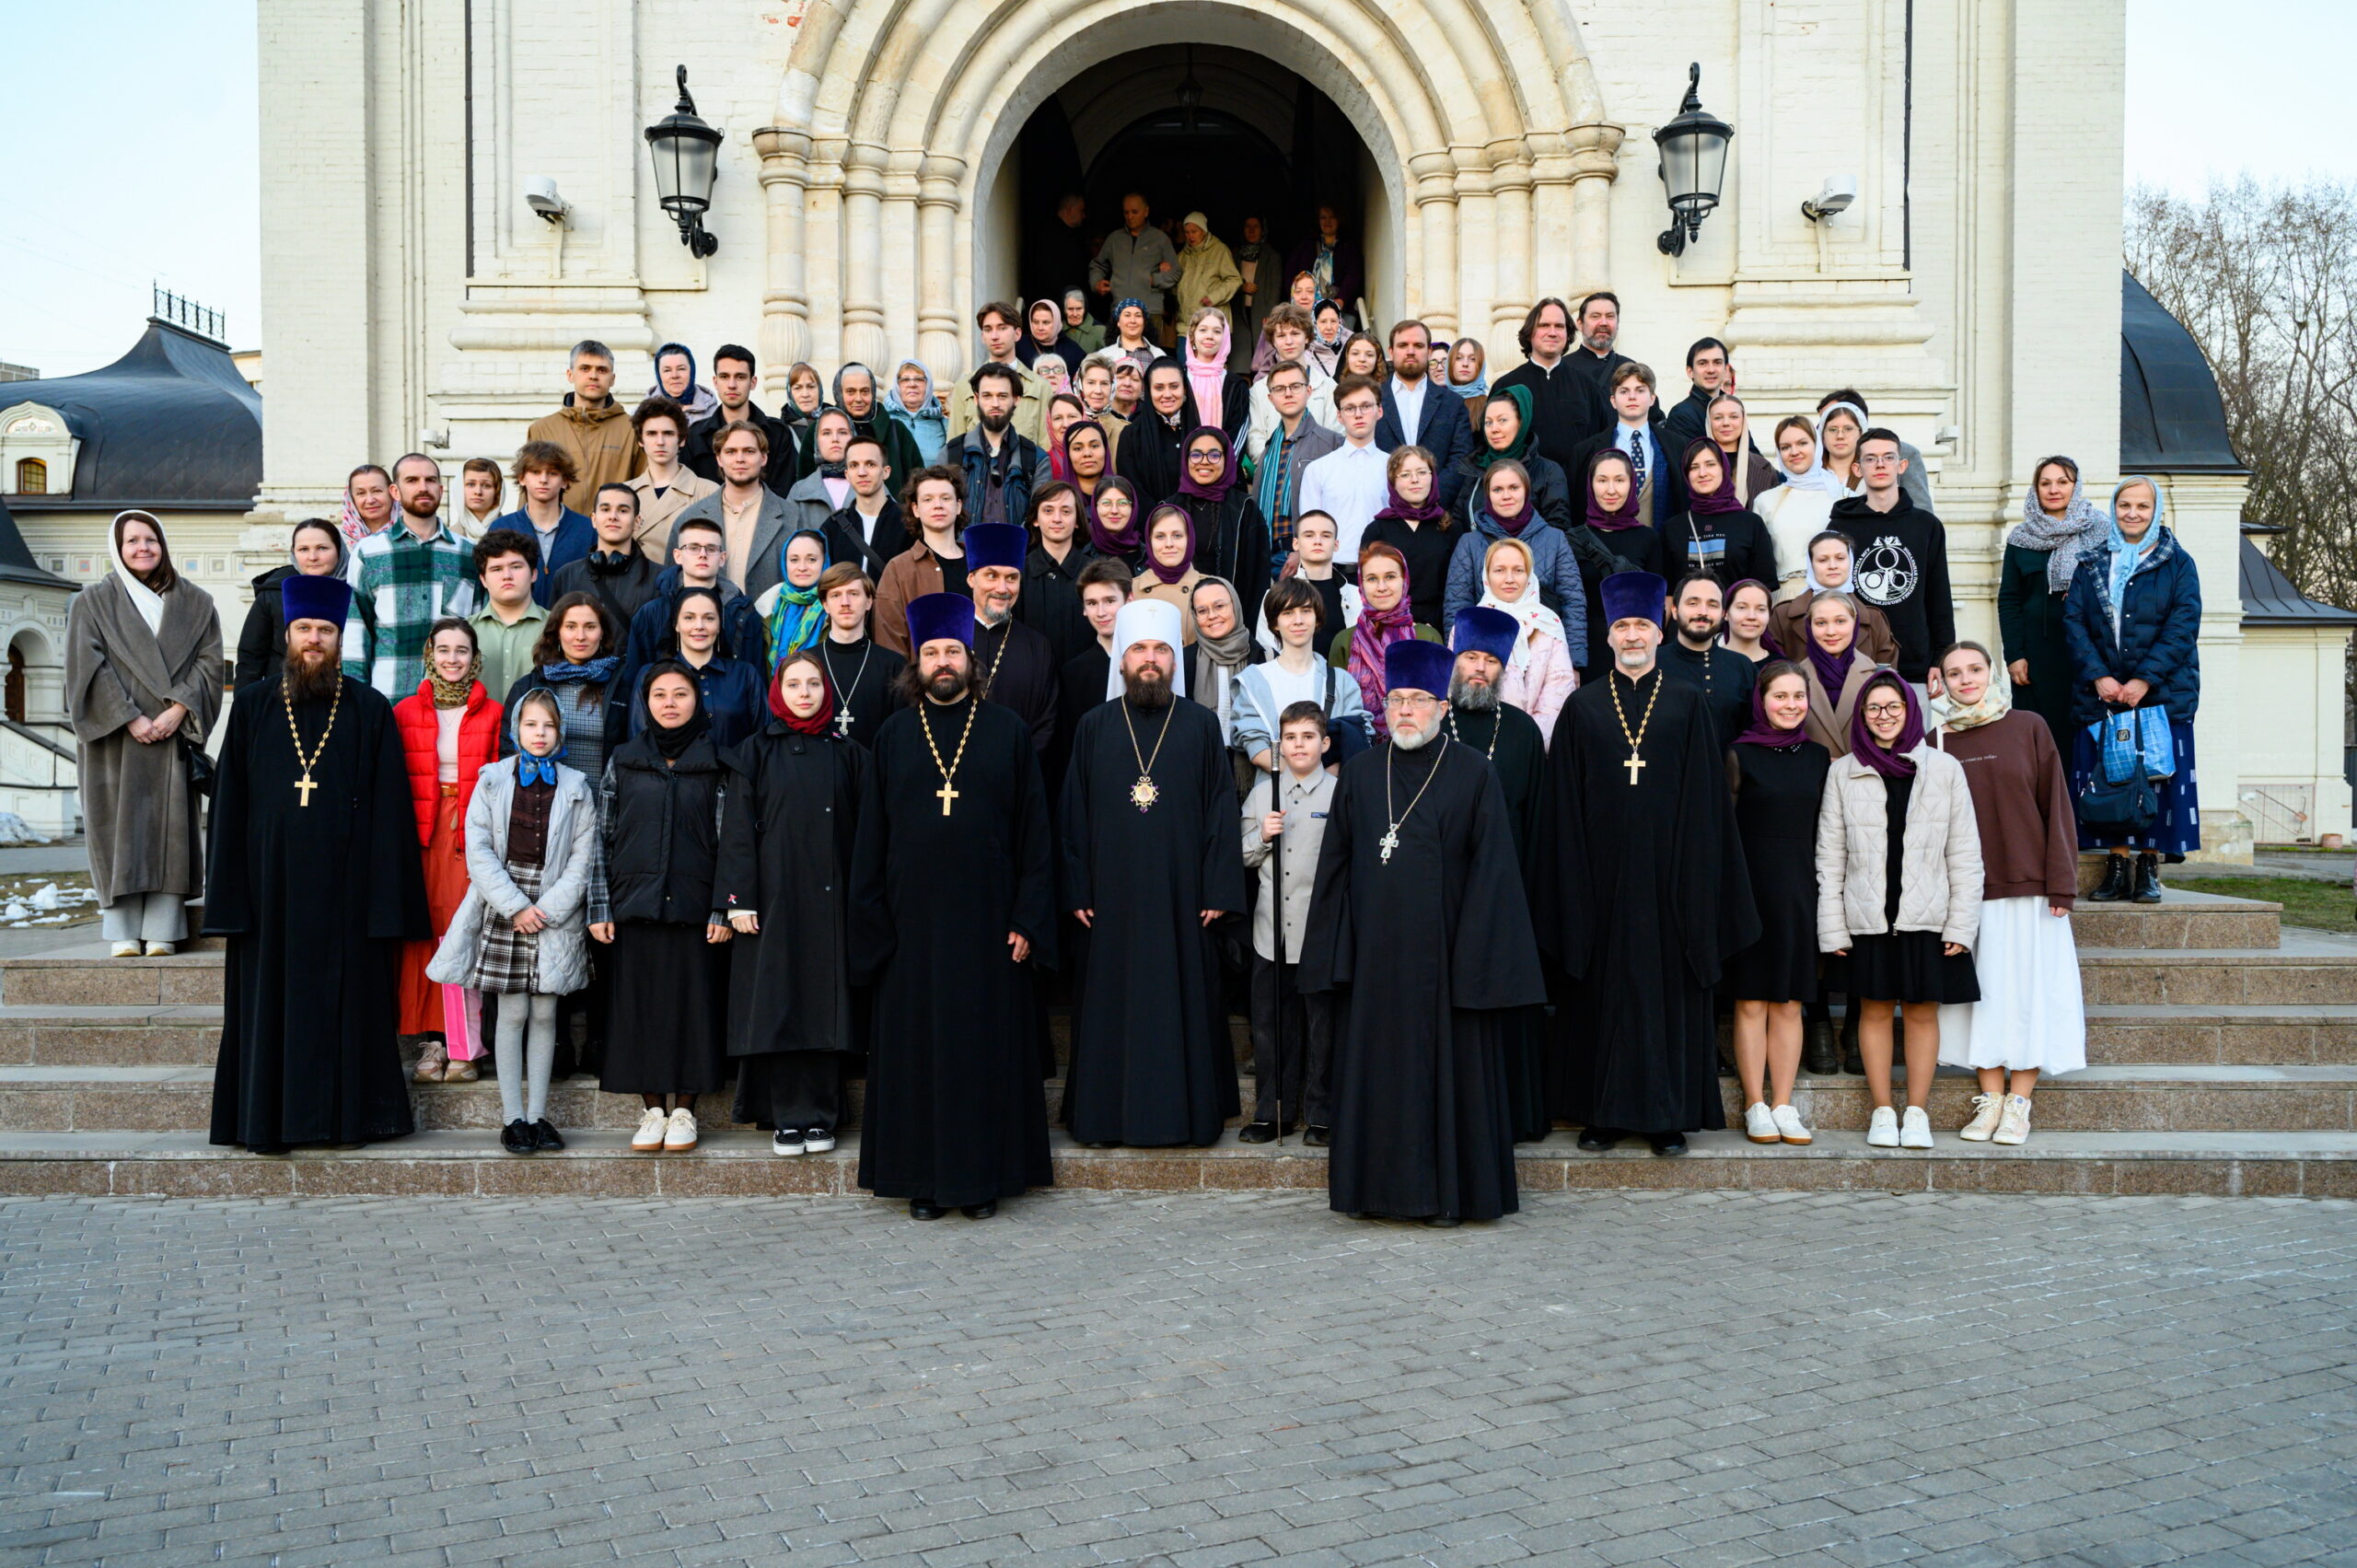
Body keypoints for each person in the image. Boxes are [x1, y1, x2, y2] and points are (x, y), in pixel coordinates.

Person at [1299, 637, 1544, 1223]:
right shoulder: (1362, 773)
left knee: (1448, 1077)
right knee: (1377, 1075)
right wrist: (1336, 955)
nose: (1405, 711)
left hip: (1448, 961)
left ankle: (1448, 1197)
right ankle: (1373, 1193)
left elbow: (1494, 874)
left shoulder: (1474, 772)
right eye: (1396, 700)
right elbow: (1335, 869)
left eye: (1417, 700)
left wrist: (1473, 960)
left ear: (1441, 706)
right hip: (1375, 961)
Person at [1537, 571, 1758, 1157]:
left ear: (1659, 630)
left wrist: (1696, 878)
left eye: (1641, 624)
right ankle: (1600, 1114)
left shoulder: (1686, 703)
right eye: (1622, 626)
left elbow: (1708, 801)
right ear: (1608, 635)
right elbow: (1563, 807)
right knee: (1600, 994)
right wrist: (1572, 883)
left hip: (1670, 880)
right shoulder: (1582, 707)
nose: (1632, 635)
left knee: (1666, 995)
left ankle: (1666, 1117)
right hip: (1600, 881)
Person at [206, 573, 427, 1155]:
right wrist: (228, 900)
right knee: (269, 1008)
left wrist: (387, 906)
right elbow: (228, 807)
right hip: (268, 895)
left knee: (347, 1007)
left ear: (339, 638)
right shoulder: (252, 706)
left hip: (346, 894)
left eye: (324, 630)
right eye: (303, 628)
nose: (313, 639)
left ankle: (346, 1123)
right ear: (287, 634)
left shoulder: (369, 708)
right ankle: (266, 1123)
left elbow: (390, 812)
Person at [853, 594, 1056, 1217]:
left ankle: (982, 1181)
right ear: (917, 663)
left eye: (953, 652)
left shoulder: (1007, 731)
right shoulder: (893, 735)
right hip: (910, 929)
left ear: (972, 659)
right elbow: (870, 840)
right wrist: (875, 924)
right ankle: (921, 1180)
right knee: (915, 1056)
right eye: (932, 653)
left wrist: (1028, 917)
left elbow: (1034, 833)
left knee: (982, 1053)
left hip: (990, 926)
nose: (943, 662)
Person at [1060, 598, 1247, 1147]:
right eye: (1138, 649)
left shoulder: (1201, 725)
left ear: (1174, 661)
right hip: (1109, 898)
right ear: (1121, 658)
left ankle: (1185, 1118)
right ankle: (1104, 1119)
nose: (1149, 659)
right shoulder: (1094, 726)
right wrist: (1076, 886)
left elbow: (1221, 810)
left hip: (1183, 896)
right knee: (1110, 1003)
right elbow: (1072, 813)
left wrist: (1218, 886)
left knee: (1181, 1001)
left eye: (1161, 650)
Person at [426, 688, 599, 1154]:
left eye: (548, 726)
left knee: (545, 1011)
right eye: (530, 724)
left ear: (560, 731)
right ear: (516, 728)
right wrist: (515, 906)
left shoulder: (577, 786)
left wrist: (549, 908)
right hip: (506, 901)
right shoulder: (493, 779)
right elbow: (479, 850)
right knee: (514, 1011)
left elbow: (583, 857)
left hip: (553, 906)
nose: (539, 733)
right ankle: (512, 1119)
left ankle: (538, 1117)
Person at [717, 650, 876, 1155]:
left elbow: (867, 835)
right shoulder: (754, 752)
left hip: (833, 902)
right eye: (793, 684)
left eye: (812, 684)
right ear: (778, 692)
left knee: (824, 1008)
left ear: (826, 691)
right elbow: (737, 831)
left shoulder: (850, 753)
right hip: (772, 902)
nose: (803, 693)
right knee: (780, 1005)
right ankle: (786, 1117)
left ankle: (821, 1117)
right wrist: (737, 900)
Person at [1817, 669, 1982, 1149]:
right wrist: (1833, 928)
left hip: (1925, 914)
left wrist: (1961, 925)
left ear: (1911, 712)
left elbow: (1964, 853)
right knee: (1871, 1012)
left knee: (1921, 1013)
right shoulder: (1843, 772)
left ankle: (1917, 1113)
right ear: (1862, 716)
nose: (1884, 715)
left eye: (1894, 706)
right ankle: (1883, 1112)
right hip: (1867, 915)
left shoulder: (1944, 769)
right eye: (1874, 708)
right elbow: (1830, 856)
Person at [1929, 642, 2083, 1146]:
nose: (1966, 680)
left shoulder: (2028, 727)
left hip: (2029, 886)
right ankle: (1991, 1099)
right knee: (1984, 999)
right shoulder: (1936, 741)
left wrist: (2062, 881)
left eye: (1975, 669)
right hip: (1967, 894)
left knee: (2027, 996)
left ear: (1991, 673)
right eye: (1955, 673)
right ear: (1942, 682)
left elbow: (2055, 805)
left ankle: (2019, 1104)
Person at [589, 663, 732, 1154]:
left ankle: (686, 1110)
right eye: (659, 695)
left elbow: (729, 843)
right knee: (640, 1010)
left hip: (696, 910)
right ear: (646, 703)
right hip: (634, 906)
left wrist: (722, 908)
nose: (670, 703)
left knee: (694, 1009)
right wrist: (600, 906)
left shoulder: (718, 763)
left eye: (680, 694)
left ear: (697, 701)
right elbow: (601, 837)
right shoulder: (624, 760)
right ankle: (652, 1110)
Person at [67, 511, 223, 958]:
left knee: (169, 831)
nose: (142, 548)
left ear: (163, 545)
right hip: (116, 739)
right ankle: (122, 931)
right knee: (116, 829)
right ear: (117, 548)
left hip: (171, 735)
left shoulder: (196, 602)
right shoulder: (93, 601)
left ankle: (162, 930)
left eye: (150, 539)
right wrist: (129, 717)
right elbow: (86, 666)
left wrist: (179, 709)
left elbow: (210, 663)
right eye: (132, 540)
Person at [1442, 610, 1552, 1137]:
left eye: (1490, 660)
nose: (1480, 669)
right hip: (1442, 892)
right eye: (1471, 658)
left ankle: (1509, 1115)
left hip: (1509, 892)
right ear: (1454, 663)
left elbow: (1538, 818)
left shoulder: (1523, 730)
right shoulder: (1432, 722)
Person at [2067, 476, 2201, 903]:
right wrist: (2099, 677)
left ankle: (2148, 869)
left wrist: (2144, 679)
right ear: (2114, 508)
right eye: (2125, 505)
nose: (2133, 513)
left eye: (2143, 506)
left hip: (2162, 695)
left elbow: (2182, 627)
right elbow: (2074, 622)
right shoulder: (2092, 561)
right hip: (2104, 695)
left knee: (2156, 780)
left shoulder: (2178, 563)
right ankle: (2116, 866)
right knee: (2111, 779)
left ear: (2155, 511)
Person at [1723, 661, 1832, 1145]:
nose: (1791, 705)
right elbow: (1724, 832)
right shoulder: (1739, 754)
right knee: (1751, 1001)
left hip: (1799, 891)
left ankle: (1784, 1103)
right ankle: (1755, 1104)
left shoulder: (1819, 757)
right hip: (1749, 891)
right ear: (1761, 700)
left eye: (1798, 696)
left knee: (1789, 1002)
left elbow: (1827, 831)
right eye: (1780, 696)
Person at [393, 617, 501, 1084]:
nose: (452, 659)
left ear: (474, 657)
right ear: (429, 655)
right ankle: (434, 1041)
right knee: (425, 934)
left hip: (470, 833)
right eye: (443, 650)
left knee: (464, 933)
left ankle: (466, 1046)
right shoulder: (404, 712)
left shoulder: (494, 713)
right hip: (422, 832)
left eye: (461, 650)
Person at [1239, 701, 1337, 1143]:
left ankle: (1321, 1114)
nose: (1299, 745)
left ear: (1324, 743)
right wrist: (1262, 835)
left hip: (1320, 933)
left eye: (1308, 737)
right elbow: (1239, 855)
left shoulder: (1340, 794)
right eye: (1291, 738)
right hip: (1271, 933)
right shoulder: (1263, 794)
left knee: (1322, 1028)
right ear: (1280, 745)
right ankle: (1271, 1112)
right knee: (1270, 1027)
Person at [346, 453, 481, 693]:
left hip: (453, 699)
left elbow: (479, 630)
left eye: (430, 480)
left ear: (441, 490)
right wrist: (355, 696)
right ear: (395, 492)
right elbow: (356, 631)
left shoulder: (468, 553)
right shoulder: (369, 552)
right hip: (389, 696)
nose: (423, 488)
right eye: (412, 480)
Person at [1829, 429, 1955, 682]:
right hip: (1855, 661)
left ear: (1902, 465)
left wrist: (1941, 657)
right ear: (1857, 469)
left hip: (1915, 661)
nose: (1880, 465)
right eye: (1870, 458)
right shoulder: (1840, 526)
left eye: (1888, 457)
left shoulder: (1926, 526)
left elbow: (1938, 594)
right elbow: (1832, 594)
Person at [2000, 455, 2109, 746]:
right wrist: (2015, 655)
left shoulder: (2102, 532)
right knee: (2036, 740)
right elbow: (2009, 600)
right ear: (2035, 489)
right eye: (2045, 483)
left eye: (2063, 482)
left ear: (2076, 486)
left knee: (2084, 740)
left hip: (2088, 651)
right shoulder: (2021, 538)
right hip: (2036, 657)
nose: (2053, 489)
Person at [1442, 457, 1585, 651]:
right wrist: (1462, 656)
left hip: (1545, 653)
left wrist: (1574, 658)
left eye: (1514, 488)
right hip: (1487, 652)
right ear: (1487, 495)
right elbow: (1457, 606)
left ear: (1526, 490)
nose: (1506, 496)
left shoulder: (1555, 539)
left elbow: (1573, 602)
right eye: (1497, 490)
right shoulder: (1470, 543)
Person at [1234, 576, 1370, 768]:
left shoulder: (1342, 681)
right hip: (1272, 783)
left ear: (1317, 618)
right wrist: (1295, 778)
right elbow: (1254, 743)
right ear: (1275, 622)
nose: (1298, 620)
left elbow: (1356, 738)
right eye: (1288, 613)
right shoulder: (1254, 680)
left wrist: (1321, 780)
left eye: (1306, 611)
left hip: (1333, 785)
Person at [622, 515, 768, 684]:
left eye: (711, 549)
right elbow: (635, 681)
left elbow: (756, 678)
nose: (703, 555)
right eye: (693, 548)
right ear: (677, 555)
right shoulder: (651, 613)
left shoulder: (743, 612)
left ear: (722, 558)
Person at [503, 591, 628, 786]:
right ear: (557, 632)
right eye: (571, 627)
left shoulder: (623, 686)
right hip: (543, 799)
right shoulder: (529, 687)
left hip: (604, 799)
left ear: (602, 632)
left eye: (590, 627)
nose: (580, 636)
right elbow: (508, 749)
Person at [962, 522, 1062, 760]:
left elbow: (1046, 721)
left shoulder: (1037, 646)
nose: (1002, 588)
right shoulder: (948, 641)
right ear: (972, 579)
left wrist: (1016, 765)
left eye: (1011, 578)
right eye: (991, 576)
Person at [672, 420, 798, 599]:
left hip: (772, 617)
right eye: (731, 452)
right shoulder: (690, 518)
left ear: (763, 458)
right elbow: (672, 584)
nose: (740, 459)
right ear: (719, 459)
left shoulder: (792, 518)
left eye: (749, 451)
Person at [1566, 449, 1666, 678]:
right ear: (1591, 485)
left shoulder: (1648, 538)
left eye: (1619, 480)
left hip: (1636, 649)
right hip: (1588, 650)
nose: (1611, 490)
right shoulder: (1573, 539)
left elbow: (1659, 605)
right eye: (1602, 480)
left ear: (1632, 484)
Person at [630, 587, 765, 749]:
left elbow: (762, 740)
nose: (699, 626)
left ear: (719, 624)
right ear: (676, 624)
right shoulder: (650, 675)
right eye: (689, 618)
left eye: (709, 618)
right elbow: (638, 741)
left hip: (736, 766)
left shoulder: (745, 674)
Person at [1331, 541, 1441, 737]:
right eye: (1372, 579)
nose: (1381, 587)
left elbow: (1436, 708)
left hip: (1418, 742)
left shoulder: (1427, 637)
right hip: (1361, 746)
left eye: (1390, 577)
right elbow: (1338, 711)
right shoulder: (1344, 641)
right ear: (1361, 584)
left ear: (1404, 580)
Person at [1472, 536, 1575, 743]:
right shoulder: (1471, 623)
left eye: (1518, 570)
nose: (1509, 579)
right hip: (1479, 743)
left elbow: (1558, 689)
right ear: (1486, 575)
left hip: (1533, 742)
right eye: (1499, 570)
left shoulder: (1548, 623)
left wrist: (1530, 742)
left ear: (1529, 575)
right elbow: (1458, 689)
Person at [1491, 296, 1608, 470]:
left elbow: (1601, 446)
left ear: (1567, 333)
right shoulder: (1506, 387)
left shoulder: (1588, 387)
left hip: (1576, 485)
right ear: (1530, 332)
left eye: (1559, 326)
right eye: (1544, 325)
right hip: (1523, 484)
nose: (1552, 332)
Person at [526, 340, 643, 513]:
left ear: (612, 379)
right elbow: (528, 493)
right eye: (585, 369)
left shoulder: (633, 430)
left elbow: (643, 490)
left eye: (602, 370)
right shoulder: (542, 429)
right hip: (558, 529)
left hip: (613, 528)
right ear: (570, 375)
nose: (593, 376)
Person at [234, 518, 348, 692]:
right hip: (283, 697)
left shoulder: (357, 590)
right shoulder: (274, 592)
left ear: (339, 550)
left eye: (322, 548)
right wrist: (245, 705)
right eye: (303, 549)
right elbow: (250, 659)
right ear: (293, 553)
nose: (312, 557)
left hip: (343, 695)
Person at [1372, 319, 1475, 512]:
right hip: (1383, 508)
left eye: (1418, 346)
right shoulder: (1372, 400)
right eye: (1403, 345)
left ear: (1429, 352)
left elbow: (1462, 458)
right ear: (1391, 352)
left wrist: (1431, 497)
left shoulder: (1453, 403)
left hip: (1437, 512)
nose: (1410, 351)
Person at [1444, 385, 1575, 535]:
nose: (1494, 429)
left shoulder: (1547, 471)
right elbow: (1459, 523)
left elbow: (1557, 528)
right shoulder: (1475, 469)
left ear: (1521, 422)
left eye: (1502, 420)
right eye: (1488, 422)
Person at [1568, 363, 1683, 527]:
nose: (1632, 397)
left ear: (1652, 399)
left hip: (1663, 540)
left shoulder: (1677, 446)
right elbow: (1578, 508)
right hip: (1606, 541)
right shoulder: (1585, 452)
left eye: (1640, 390)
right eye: (1624, 391)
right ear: (1613, 401)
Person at [1246, 359, 1342, 555]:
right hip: (1266, 551)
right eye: (1280, 389)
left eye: (1295, 386)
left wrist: (1301, 551)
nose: (1288, 393)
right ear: (1271, 398)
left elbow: (1339, 506)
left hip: (1305, 552)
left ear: (1309, 391)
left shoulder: (1332, 443)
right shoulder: (1269, 449)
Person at [875, 467, 970, 656]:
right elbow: (890, 643)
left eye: (946, 498)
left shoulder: (979, 564)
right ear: (915, 509)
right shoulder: (898, 569)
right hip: (920, 674)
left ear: (958, 506)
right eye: (928, 499)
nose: (938, 505)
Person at [1768, 532, 1900, 668]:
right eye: (1823, 560)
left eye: (1840, 558)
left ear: (1851, 561)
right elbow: (1774, 672)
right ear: (1811, 564)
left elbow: (1885, 675)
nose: (1832, 566)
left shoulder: (1874, 619)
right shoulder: (1781, 616)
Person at [1295, 375, 1390, 563]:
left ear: (1379, 411)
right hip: (1333, 569)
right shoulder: (1318, 470)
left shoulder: (1393, 468)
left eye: (1366, 406)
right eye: (1349, 408)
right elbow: (1309, 530)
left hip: (1382, 567)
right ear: (1339, 416)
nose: (1358, 414)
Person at [809, 563, 906, 745]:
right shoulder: (805, 664)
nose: (845, 602)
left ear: (869, 601)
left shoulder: (894, 666)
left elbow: (901, 734)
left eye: (853, 594)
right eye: (836, 595)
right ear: (825, 605)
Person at [1172, 427, 1271, 606]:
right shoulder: (1169, 509)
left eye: (1214, 455)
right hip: (1181, 613)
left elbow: (1258, 578)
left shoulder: (1244, 509)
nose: (1204, 461)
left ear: (1227, 459)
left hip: (1233, 615)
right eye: (1196, 455)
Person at [1359, 446, 1454, 631]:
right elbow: (1368, 585)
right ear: (1392, 482)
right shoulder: (1376, 530)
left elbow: (1456, 587)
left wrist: (1434, 625)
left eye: (1422, 472)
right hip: (1388, 626)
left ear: (1433, 477)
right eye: (1405, 474)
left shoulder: (1450, 527)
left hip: (1438, 625)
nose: (1414, 480)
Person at [1056, 558, 1133, 782]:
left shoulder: (1152, 664)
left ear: (1129, 600)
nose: (1101, 612)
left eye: (1110, 601)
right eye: (1091, 603)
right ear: (1083, 609)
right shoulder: (1073, 674)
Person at [684, 343, 798, 493]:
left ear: (753, 382)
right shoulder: (695, 436)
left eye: (740, 377)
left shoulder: (778, 434)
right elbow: (689, 492)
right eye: (724, 377)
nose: (732, 385)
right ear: (715, 382)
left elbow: (784, 491)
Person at [1664, 439, 1777, 590]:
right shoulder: (1673, 528)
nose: (1702, 473)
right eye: (1694, 467)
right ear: (1686, 474)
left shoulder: (1751, 524)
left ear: (1724, 468)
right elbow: (1668, 591)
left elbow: (1764, 586)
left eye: (1710, 464)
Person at [492, 442, 595, 608]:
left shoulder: (588, 529)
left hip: (572, 621)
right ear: (522, 478)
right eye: (535, 472)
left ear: (565, 481)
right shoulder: (502, 527)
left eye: (552, 473)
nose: (543, 480)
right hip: (516, 620)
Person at [550, 482, 664, 630]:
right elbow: (554, 634)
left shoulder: (660, 579)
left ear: (637, 521)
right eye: (605, 509)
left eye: (623, 511)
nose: (613, 517)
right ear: (593, 519)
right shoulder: (566, 576)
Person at [1657, 573, 1753, 749]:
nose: (1703, 612)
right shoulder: (1652, 664)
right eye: (1693, 603)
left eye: (1712, 605)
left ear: (1723, 614)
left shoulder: (1742, 667)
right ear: (1675, 611)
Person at [951, 363, 1051, 529]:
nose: (995, 403)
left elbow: (1039, 517)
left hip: (1019, 546)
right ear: (976, 399)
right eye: (987, 396)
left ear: (1016, 399)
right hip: (963, 545)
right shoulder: (952, 454)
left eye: (1003, 396)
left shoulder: (1036, 459)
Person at [1015, 481, 1100, 668]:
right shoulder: (1017, 574)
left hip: (1085, 677)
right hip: (1031, 676)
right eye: (1048, 510)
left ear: (1077, 521)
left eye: (1066, 511)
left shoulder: (1096, 574)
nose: (1057, 519)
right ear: (1035, 519)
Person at [1757, 414, 1843, 592]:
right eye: (1785, 447)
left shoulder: (1842, 497)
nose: (1794, 452)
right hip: (1784, 597)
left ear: (1817, 445)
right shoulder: (1765, 501)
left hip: (1833, 596)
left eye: (1802, 443)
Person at [624, 396, 715, 560]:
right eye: (652, 434)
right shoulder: (625, 493)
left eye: (668, 433)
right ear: (640, 440)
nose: (660, 442)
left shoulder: (708, 492)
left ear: (682, 439)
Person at [466, 530, 550, 706]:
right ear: (483, 580)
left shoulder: (557, 628)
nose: (507, 575)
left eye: (516, 567)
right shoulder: (464, 632)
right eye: (496, 569)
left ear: (534, 574)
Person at [946, 303, 1050, 444]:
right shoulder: (964, 386)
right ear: (983, 337)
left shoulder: (1040, 387)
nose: (994, 336)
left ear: (1017, 334)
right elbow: (954, 447)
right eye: (988, 329)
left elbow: (1046, 447)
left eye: (1002, 328)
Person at [1184, 575, 1260, 758]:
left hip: (1252, 761)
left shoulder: (1263, 656)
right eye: (1202, 611)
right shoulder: (1184, 660)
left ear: (1234, 605)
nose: (1212, 616)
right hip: (1202, 761)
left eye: (1219, 606)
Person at [1817, 389, 1933, 510]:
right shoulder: (1813, 459)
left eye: (1848, 428)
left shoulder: (1903, 452)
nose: (1839, 435)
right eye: (1830, 427)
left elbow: (1921, 508)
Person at [819, 433, 909, 583]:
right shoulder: (833, 528)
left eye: (870, 464)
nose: (862, 473)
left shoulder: (909, 522)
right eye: (854, 465)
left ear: (886, 472)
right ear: (847, 475)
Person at [1795, 589, 1876, 757]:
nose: (1831, 631)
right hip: (1812, 772)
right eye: (1821, 623)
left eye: (1840, 621)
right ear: (1809, 626)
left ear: (1855, 622)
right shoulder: (1793, 679)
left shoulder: (1878, 676)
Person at [832, 362, 928, 498]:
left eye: (865, 391)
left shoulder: (897, 430)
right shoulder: (822, 432)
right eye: (851, 392)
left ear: (873, 393)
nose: (858, 399)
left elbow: (918, 482)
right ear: (839, 394)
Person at [1090, 192, 1181, 328]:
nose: (1130, 216)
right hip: (1120, 310)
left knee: (1148, 343)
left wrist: (1155, 280)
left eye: (1134, 212)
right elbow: (1097, 265)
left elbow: (1176, 272)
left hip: (1150, 311)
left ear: (1146, 211)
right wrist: (1096, 282)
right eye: (1126, 212)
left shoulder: (1160, 239)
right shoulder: (1114, 239)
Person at [752, 528, 831, 671]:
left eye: (812, 559)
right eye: (794, 560)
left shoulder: (839, 606)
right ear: (785, 563)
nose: (802, 567)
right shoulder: (766, 607)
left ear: (824, 562)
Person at [1116, 360, 1193, 505]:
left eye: (1174, 386)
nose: (1167, 394)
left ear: (1185, 389)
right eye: (1159, 388)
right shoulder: (1131, 435)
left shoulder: (1198, 432)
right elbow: (1132, 490)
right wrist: (1161, 515)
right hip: (1151, 516)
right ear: (1149, 391)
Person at [782, 407, 858, 537]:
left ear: (853, 438)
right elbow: (787, 541)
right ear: (817, 441)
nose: (835, 439)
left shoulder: (873, 485)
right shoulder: (799, 492)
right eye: (826, 433)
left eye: (843, 432)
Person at [1178, 308, 1250, 441]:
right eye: (1203, 330)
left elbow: (1239, 431)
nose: (1209, 336)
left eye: (1217, 331)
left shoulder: (1237, 385)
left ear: (1225, 337)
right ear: (1192, 336)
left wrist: (1222, 454)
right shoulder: (1178, 380)